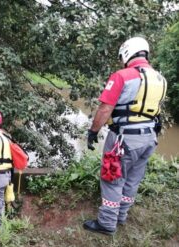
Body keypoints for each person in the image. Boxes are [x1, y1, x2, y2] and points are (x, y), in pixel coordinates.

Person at [84, 37, 167, 235]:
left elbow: (105, 109)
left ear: (128, 52)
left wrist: (93, 131)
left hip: (124, 139)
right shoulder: (160, 79)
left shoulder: (122, 76)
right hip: (149, 139)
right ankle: (121, 216)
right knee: (132, 179)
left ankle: (107, 223)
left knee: (112, 178)